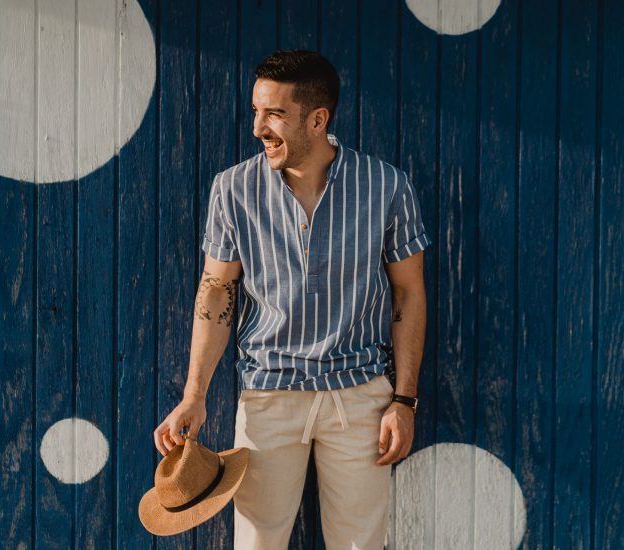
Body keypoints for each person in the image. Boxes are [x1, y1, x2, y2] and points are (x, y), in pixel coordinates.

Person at [153, 50, 429, 549]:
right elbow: (217, 289)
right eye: (256, 111)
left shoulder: (386, 186)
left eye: (274, 114)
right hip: (268, 398)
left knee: (359, 545)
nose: (259, 127)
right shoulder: (233, 189)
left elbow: (409, 292)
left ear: (318, 119)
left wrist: (404, 401)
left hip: (360, 396)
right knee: (257, 543)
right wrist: (195, 395)